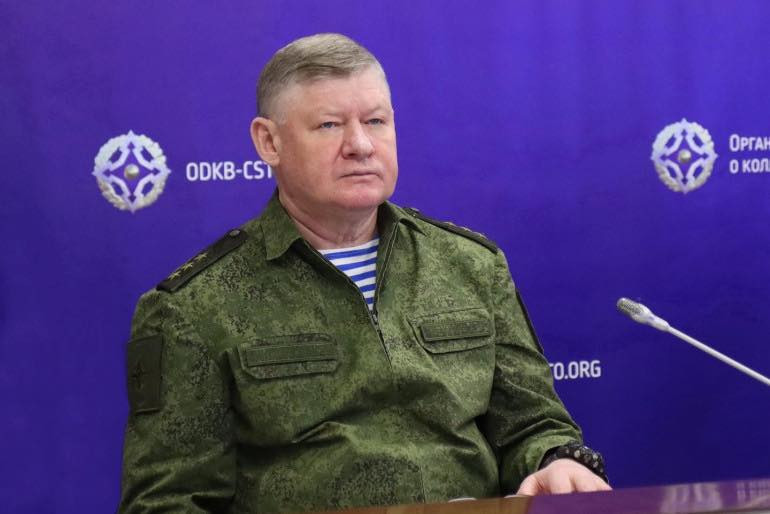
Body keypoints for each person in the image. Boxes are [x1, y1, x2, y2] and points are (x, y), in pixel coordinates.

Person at [119, 33, 610, 513]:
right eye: (330, 125)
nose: (360, 144)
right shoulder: (192, 307)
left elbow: (533, 425)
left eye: (375, 121)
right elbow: (167, 502)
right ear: (269, 142)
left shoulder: (471, 265)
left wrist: (556, 460)